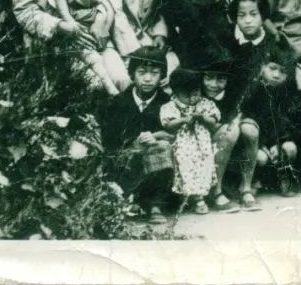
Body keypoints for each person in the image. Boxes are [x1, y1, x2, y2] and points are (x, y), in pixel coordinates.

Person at [98, 46, 174, 223]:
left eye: (154, 73)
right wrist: (132, 144)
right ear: (132, 74)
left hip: (158, 164)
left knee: (162, 146)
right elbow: (109, 140)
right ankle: (126, 200)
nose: (147, 78)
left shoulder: (168, 103)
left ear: (162, 76)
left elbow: (175, 133)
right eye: (142, 72)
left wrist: (157, 136)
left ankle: (155, 204)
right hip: (127, 162)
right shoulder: (118, 102)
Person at [48, 0, 126, 95]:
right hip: (78, 38)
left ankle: (122, 97)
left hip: (99, 36)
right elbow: (66, 16)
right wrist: (79, 32)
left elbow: (107, 8)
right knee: (95, 65)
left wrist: (102, 27)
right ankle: (111, 91)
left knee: (120, 75)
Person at [240, 50, 301, 199]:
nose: (276, 75)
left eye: (282, 72)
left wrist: (279, 143)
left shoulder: (286, 93)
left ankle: (283, 178)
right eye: (272, 68)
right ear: (262, 67)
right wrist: (263, 145)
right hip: (255, 142)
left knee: (289, 148)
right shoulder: (252, 90)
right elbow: (248, 119)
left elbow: (288, 122)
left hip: (276, 141)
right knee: (260, 157)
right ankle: (253, 180)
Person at [160, 67, 221, 215]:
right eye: (187, 95)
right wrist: (182, 120)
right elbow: (168, 124)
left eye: (196, 93)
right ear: (176, 93)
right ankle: (190, 197)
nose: (193, 98)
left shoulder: (205, 104)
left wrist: (203, 117)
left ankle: (199, 196)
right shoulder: (171, 106)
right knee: (184, 165)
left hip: (203, 144)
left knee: (205, 165)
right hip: (182, 143)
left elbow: (214, 121)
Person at [200, 55, 255, 211]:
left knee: (248, 128)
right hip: (202, 147)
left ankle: (246, 188)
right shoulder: (195, 95)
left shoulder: (234, 96)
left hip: (229, 149)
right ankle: (215, 191)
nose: (213, 85)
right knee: (229, 131)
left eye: (221, 79)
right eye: (209, 78)